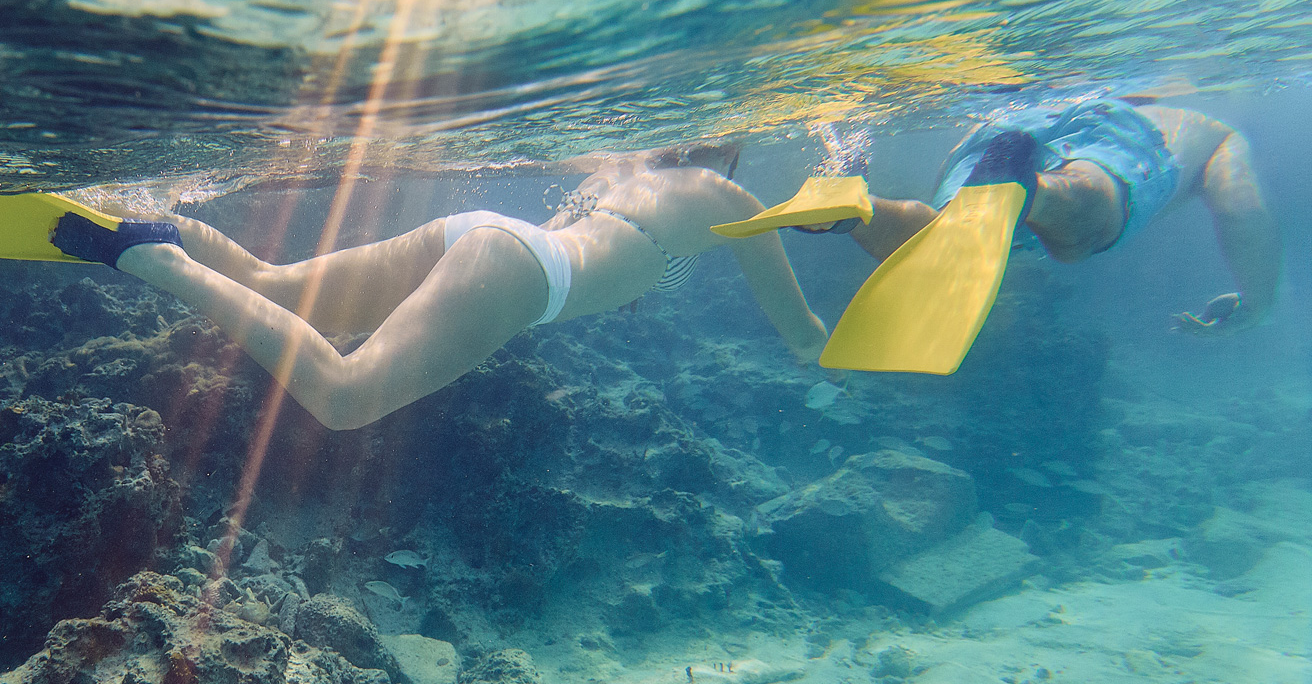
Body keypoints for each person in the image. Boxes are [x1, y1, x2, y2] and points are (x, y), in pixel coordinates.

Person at [48, 146, 831, 430]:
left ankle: (147, 223)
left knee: (274, 285)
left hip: (484, 234)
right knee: (346, 398)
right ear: (728, 149)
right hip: (528, 276)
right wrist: (817, 348)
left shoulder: (621, 166)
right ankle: (157, 265)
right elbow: (794, 323)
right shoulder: (724, 198)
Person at [815, 99, 1281, 334]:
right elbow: (1243, 208)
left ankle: (855, 208)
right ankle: (1037, 191)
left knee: (942, 236)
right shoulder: (1210, 129)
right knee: (1084, 231)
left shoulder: (1057, 86)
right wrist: (1257, 303)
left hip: (1003, 121)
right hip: (1109, 127)